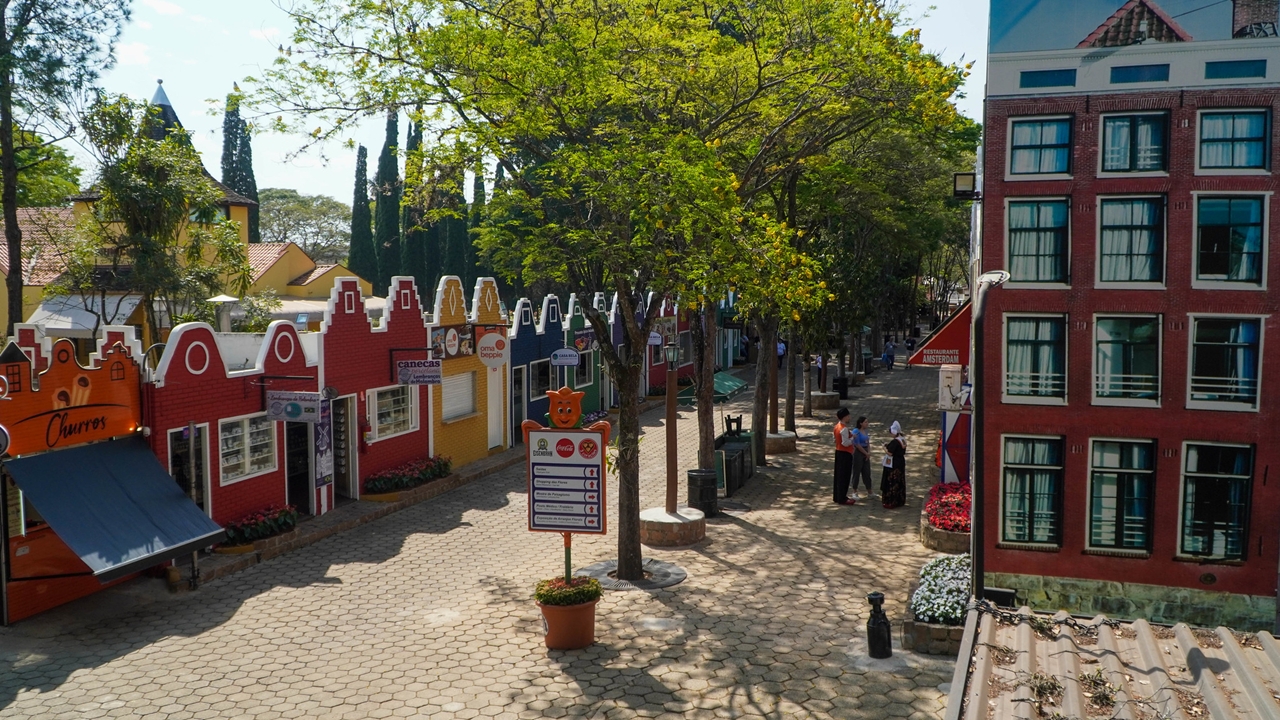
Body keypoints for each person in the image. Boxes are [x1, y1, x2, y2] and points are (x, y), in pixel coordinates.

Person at [832, 408, 856, 505]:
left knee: (838, 475)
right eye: (848, 416)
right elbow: (845, 443)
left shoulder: (837, 427)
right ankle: (842, 497)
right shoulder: (844, 429)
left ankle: (837, 496)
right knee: (844, 476)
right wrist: (852, 438)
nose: (849, 417)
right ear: (845, 417)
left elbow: (835, 439)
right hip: (845, 453)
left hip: (838, 452)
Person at [881, 420, 907, 508]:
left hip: (894, 463)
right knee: (900, 480)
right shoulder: (902, 439)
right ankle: (900, 500)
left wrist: (884, 448)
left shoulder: (895, 442)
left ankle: (891, 500)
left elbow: (890, 453)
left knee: (892, 481)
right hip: (901, 462)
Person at [850, 415, 873, 500]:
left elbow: (868, 442)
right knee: (856, 471)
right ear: (861, 423)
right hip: (858, 453)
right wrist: (865, 453)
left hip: (866, 452)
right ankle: (854, 491)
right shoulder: (856, 431)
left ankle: (870, 491)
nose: (867, 423)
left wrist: (868, 452)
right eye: (865, 422)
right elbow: (857, 444)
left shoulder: (865, 431)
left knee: (867, 472)